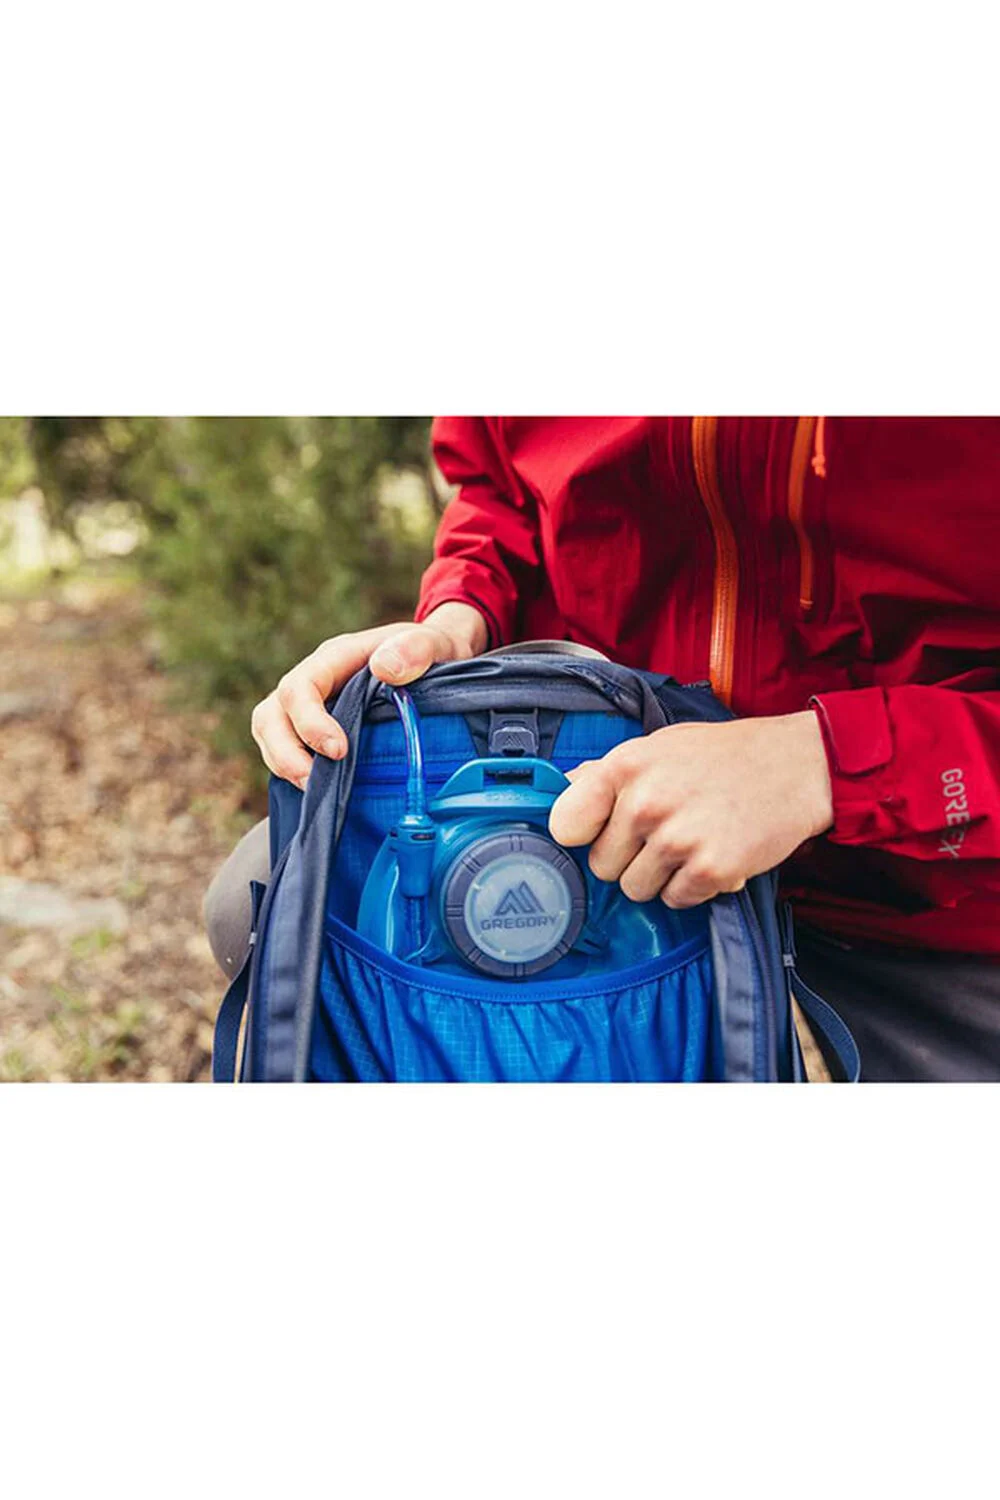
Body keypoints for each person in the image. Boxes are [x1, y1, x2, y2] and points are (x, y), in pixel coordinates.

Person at [205, 417, 1000, 1082]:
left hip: (946, 889)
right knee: (259, 901)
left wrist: (831, 765)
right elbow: (503, 486)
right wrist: (462, 615)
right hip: (606, 831)